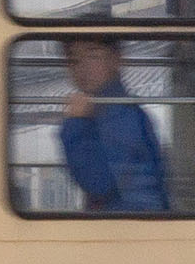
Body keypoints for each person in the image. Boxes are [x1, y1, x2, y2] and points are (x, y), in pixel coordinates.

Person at [56, 37, 169, 212]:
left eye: (93, 56)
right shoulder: (112, 109)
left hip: (127, 225)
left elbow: (98, 183)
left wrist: (76, 123)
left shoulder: (119, 114)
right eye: (74, 60)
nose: (82, 68)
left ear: (116, 59)